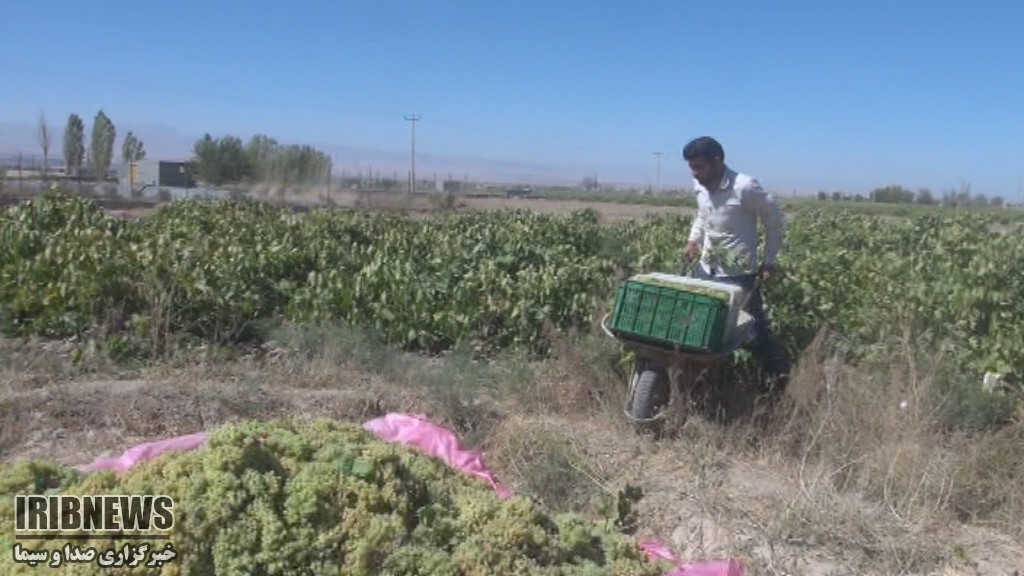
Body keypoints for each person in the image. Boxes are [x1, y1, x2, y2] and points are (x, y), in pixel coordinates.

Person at [681, 136, 792, 386]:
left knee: (752, 334)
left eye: (699, 166)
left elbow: (774, 221)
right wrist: (693, 241)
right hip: (706, 269)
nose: (694, 173)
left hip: (738, 274)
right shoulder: (700, 184)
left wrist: (769, 262)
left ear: (717, 161)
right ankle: (707, 383)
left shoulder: (744, 187)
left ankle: (778, 381)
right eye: (691, 167)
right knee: (701, 328)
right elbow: (702, 215)